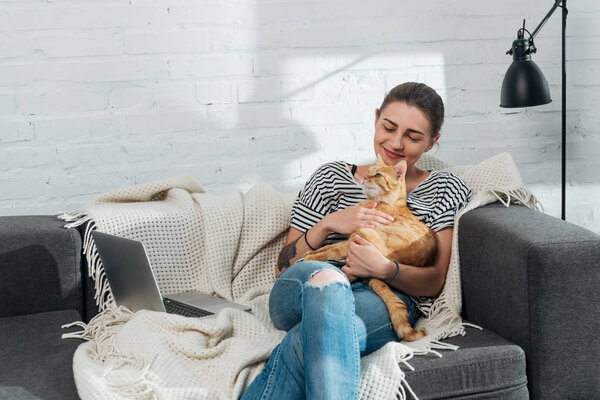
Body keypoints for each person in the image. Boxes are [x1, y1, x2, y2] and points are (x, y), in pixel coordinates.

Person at [241, 82, 471, 400]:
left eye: (414, 136)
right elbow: (284, 268)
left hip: (382, 294)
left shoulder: (445, 187)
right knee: (327, 280)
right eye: (388, 127)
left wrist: (386, 268)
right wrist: (328, 224)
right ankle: (331, 280)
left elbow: (433, 281)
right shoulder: (330, 178)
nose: (396, 143)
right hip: (303, 285)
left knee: (309, 338)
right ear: (376, 119)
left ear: (432, 142)